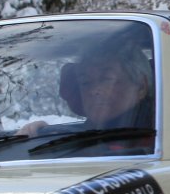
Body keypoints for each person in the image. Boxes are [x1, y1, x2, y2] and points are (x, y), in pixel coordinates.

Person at [22, 44, 154, 136]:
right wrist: (41, 133)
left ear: (141, 86)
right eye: (85, 83)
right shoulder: (88, 136)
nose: (94, 90)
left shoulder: (154, 138)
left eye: (107, 79)